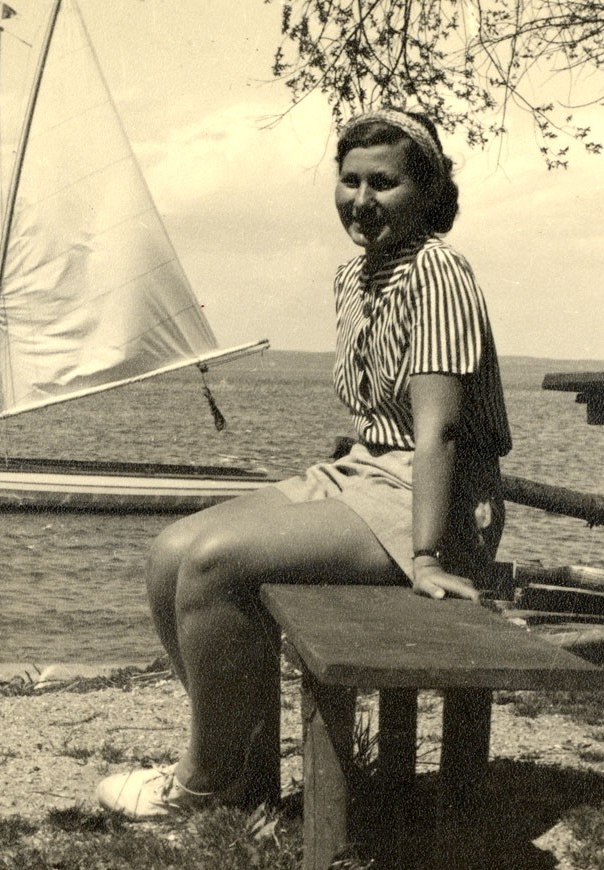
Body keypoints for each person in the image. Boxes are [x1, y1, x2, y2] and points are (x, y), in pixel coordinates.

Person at [95, 107, 512, 817]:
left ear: (429, 191)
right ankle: (243, 772)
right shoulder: (354, 277)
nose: (362, 199)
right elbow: (377, 418)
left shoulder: (440, 271)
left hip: (429, 496)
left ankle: (202, 785)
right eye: (349, 181)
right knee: (170, 551)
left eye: (384, 182)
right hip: (363, 471)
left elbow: (438, 432)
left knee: (213, 564)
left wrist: (430, 554)